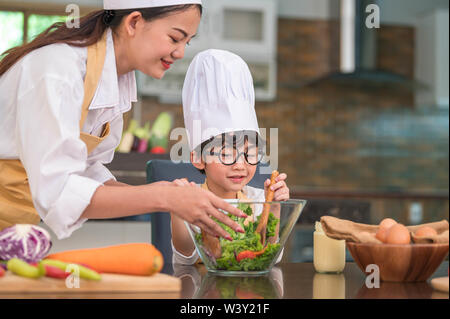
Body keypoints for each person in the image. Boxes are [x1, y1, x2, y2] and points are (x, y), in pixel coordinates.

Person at [0, 0, 245, 241]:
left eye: (187, 42)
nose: (180, 53)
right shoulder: (58, 70)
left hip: (12, 235)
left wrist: (170, 196)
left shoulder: (114, 81)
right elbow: (59, 190)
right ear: (134, 22)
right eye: (174, 38)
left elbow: (86, 172)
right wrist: (163, 197)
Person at [170, 49, 290, 265]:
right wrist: (177, 209)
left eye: (250, 153)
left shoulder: (257, 199)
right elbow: (186, 256)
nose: (240, 165)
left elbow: (269, 255)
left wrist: (273, 207)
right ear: (198, 158)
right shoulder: (192, 199)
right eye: (226, 154)